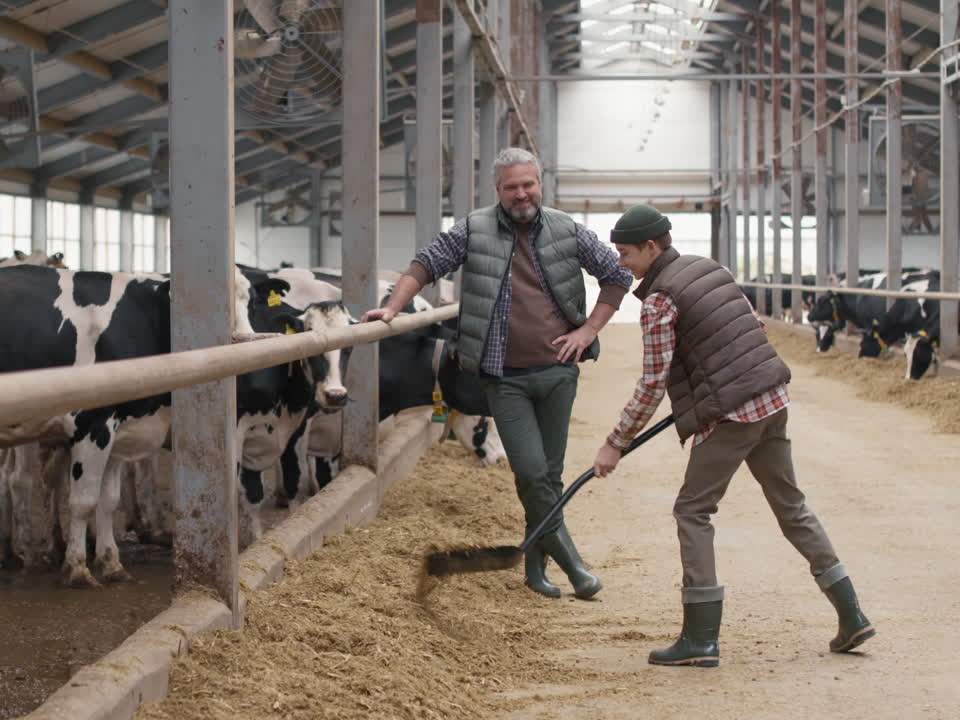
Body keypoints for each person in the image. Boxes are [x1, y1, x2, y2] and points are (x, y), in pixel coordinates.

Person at [592, 203, 875, 667]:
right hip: (771, 399)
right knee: (792, 507)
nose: (621, 262)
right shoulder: (711, 269)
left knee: (693, 511)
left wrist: (615, 442)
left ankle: (701, 638)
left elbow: (652, 383)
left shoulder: (660, 299)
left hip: (732, 413)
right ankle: (851, 614)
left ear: (651, 246)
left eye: (625, 253)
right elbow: (754, 327)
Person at [364, 146, 633, 600]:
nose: (521, 193)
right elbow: (426, 263)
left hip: (559, 374)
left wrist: (588, 330)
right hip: (504, 378)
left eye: (528, 184)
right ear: (498, 190)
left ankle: (535, 573)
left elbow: (617, 274)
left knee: (548, 477)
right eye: (512, 187)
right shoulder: (474, 228)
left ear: (539, 184)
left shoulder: (567, 229)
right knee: (530, 471)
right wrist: (392, 308)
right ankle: (574, 566)